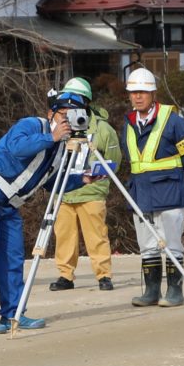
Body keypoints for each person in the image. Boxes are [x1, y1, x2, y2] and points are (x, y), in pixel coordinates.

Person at [0, 83, 93, 334]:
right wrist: (51, 137)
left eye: (74, 116)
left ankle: (13, 312)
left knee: (12, 257)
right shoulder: (32, 125)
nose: (68, 122)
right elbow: (17, 147)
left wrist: (83, 179)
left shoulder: (61, 149)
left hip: (10, 204)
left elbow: (50, 182)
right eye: (64, 115)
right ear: (51, 113)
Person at [118, 66, 184, 308]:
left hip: (169, 190)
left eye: (143, 92)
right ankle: (151, 291)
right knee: (147, 246)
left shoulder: (174, 121)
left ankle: (175, 291)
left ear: (153, 94)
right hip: (141, 192)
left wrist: (172, 177)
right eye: (134, 92)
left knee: (172, 244)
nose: (138, 97)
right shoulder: (129, 123)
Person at [48, 74, 119, 292]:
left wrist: (98, 176)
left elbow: (114, 160)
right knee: (64, 236)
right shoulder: (60, 126)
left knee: (97, 236)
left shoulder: (102, 129)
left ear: (86, 102)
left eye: (76, 100)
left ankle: (104, 275)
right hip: (65, 190)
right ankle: (65, 275)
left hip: (91, 191)